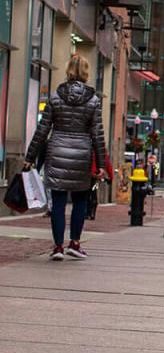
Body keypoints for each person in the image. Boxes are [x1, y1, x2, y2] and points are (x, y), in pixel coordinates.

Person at [24, 55, 107, 260]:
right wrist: (102, 164)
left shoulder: (55, 96)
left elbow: (43, 130)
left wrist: (30, 156)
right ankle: (75, 243)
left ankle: (58, 247)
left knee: (59, 202)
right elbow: (97, 133)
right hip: (82, 154)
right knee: (80, 201)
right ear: (86, 72)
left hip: (57, 150)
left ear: (68, 70)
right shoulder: (94, 100)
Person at [87, 149, 113, 220]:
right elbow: (107, 163)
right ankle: (92, 212)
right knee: (93, 192)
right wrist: (111, 177)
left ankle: (87, 212)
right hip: (95, 175)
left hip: (86, 174)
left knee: (86, 193)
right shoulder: (101, 149)